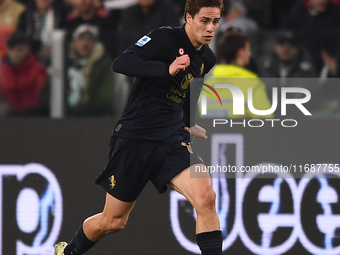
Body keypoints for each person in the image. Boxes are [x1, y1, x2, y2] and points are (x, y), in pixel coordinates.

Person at [54, 0, 224, 255]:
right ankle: (67, 252)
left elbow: (191, 88)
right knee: (113, 221)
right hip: (136, 137)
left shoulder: (207, 58)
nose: (210, 28)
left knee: (206, 197)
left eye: (216, 21)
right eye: (204, 20)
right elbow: (121, 63)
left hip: (171, 138)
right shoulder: (164, 38)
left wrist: (189, 124)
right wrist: (165, 69)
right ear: (188, 18)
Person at [39, 24, 115, 116]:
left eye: (90, 40)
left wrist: (74, 111)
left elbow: (105, 99)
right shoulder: (63, 61)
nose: (86, 44)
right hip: (60, 114)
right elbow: (45, 93)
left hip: (90, 117)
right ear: (74, 43)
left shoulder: (102, 64)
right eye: (82, 39)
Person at [203, 32, 273, 119]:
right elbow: (267, 122)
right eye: (248, 50)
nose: (249, 54)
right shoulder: (252, 85)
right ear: (241, 52)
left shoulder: (206, 87)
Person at [0, 32, 48, 117]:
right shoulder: (3, 71)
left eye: (20, 50)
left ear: (28, 50)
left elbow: (42, 96)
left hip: (32, 113)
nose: (16, 54)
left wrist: (20, 108)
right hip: (10, 112)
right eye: (12, 50)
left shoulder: (37, 69)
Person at [17, 0, 70, 67]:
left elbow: (67, 38)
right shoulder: (25, 16)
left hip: (57, 59)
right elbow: (20, 40)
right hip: (30, 59)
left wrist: (55, 50)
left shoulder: (63, 15)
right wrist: (37, 53)